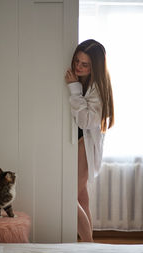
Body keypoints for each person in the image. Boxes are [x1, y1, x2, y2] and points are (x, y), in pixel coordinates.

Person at [65, 39, 114, 242]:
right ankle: (89, 247)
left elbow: (85, 121)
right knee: (81, 198)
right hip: (78, 145)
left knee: (68, 198)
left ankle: (88, 245)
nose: (78, 67)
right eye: (77, 61)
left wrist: (74, 89)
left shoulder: (97, 89)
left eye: (84, 64)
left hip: (84, 148)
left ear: (95, 67)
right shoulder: (86, 82)